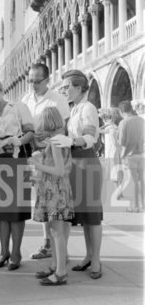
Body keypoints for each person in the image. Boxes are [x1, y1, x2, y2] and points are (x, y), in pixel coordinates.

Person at [51, 69, 103, 280]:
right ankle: (89, 255)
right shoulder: (74, 109)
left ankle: (96, 259)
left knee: (92, 216)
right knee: (83, 215)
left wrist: (72, 141)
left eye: (67, 87)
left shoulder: (88, 107)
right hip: (74, 162)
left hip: (86, 161)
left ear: (79, 87)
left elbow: (90, 136)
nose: (64, 90)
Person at [0, 78, 34, 270]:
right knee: (2, 212)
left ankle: (16, 253)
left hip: (18, 159)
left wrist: (18, 142)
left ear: (1, 91)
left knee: (17, 211)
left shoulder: (19, 107)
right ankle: (3, 252)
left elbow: (30, 132)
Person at [21, 63, 70, 260]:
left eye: (37, 81)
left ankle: (62, 250)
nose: (33, 85)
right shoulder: (25, 100)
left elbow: (63, 128)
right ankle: (47, 244)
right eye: (30, 81)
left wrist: (49, 143)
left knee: (58, 205)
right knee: (42, 201)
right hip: (36, 154)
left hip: (54, 153)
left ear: (47, 80)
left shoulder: (58, 99)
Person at [28, 107, 73, 285]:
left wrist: (37, 165)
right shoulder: (61, 138)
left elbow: (59, 170)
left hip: (54, 188)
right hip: (58, 188)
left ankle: (61, 272)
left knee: (56, 231)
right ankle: (55, 266)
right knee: (55, 231)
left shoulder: (55, 141)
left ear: (46, 121)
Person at [117, 100, 144, 212]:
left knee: (133, 181)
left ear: (121, 111)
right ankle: (143, 203)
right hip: (141, 154)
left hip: (129, 155)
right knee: (141, 180)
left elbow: (121, 141)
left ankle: (135, 206)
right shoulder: (141, 120)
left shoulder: (124, 123)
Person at [99, 108, 123, 197]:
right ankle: (120, 191)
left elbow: (98, 130)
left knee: (114, 173)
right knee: (119, 172)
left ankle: (118, 192)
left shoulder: (110, 128)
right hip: (119, 151)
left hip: (113, 152)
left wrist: (106, 125)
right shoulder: (118, 127)